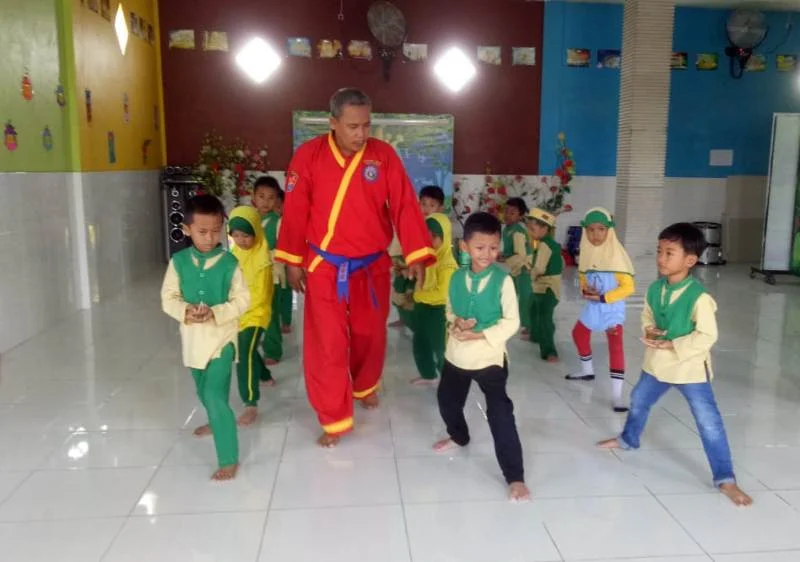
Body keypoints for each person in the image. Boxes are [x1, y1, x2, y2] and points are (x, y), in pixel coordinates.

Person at [275, 88, 434, 447]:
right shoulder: (309, 156)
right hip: (325, 265)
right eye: (352, 126)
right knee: (328, 344)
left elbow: (405, 205)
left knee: (369, 334)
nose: (361, 134)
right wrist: (292, 260)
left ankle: (364, 385)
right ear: (332, 123)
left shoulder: (383, 156)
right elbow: (295, 212)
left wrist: (416, 253)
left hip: (371, 265)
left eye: (366, 125)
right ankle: (333, 417)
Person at [598, 223, 753, 507]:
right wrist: (649, 330)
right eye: (659, 251)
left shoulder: (699, 298)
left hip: (689, 369)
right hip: (656, 365)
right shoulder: (655, 288)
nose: (661, 258)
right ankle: (629, 439)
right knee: (639, 399)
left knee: (708, 422)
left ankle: (725, 479)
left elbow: (707, 335)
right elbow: (647, 316)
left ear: (690, 260)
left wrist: (673, 344)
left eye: (669, 253)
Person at [433, 212, 529, 502]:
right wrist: (456, 323)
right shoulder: (456, 278)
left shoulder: (503, 281)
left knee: (500, 415)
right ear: (464, 247)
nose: (487, 254)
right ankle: (459, 436)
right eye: (480, 247)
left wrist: (480, 335)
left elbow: (512, 322)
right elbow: (450, 309)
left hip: (489, 358)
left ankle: (515, 476)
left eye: (493, 247)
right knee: (447, 401)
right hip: (457, 355)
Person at [160, 195, 250, 480]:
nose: (210, 238)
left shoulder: (229, 263)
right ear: (187, 229)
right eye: (202, 231)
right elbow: (168, 298)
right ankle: (216, 419)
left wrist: (216, 312)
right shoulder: (178, 262)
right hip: (193, 342)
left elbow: (243, 300)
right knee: (205, 393)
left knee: (213, 394)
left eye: (215, 231)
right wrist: (185, 310)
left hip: (222, 340)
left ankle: (228, 458)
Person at [565, 208, 635, 413]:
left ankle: (617, 396)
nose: (595, 235)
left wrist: (605, 297)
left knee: (615, 346)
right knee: (579, 333)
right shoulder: (587, 253)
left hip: (612, 309)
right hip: (594, 306)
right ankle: (587, 371)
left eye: (601, 229)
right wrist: (586, 289)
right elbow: (583, 277)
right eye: (590, 230)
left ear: (609, 231)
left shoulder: (617, 257)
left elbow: (628, 288)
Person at [228, 206, 274, 427]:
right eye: (236, 235)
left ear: (256, 231)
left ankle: (250, 402)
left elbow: (261, 296)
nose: (241, 240)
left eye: (246, 235)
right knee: (248, 348)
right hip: (238, 313)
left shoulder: (262, 259)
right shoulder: (235, 253)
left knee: (243, 352)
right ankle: (264, 375)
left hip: (256, 314)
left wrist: (240, 312)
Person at [410, 213, 458, 385]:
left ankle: (449, 381)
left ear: (445, 237)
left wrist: (418, 296)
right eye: (426, 236)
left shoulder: (447, 264)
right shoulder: (427, 257)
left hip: (439, 311)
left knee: (441, 347)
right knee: (420, 342)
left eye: (434, 236)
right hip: (423, 307)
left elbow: (442, 294)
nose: (429, 240)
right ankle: (427, 374)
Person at [253, 176, 286, 365]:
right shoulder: (250, 219)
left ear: (276, 200)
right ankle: (256, 339)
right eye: (261, 196)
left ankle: (273, 350)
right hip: (252, 275)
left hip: (272, 275)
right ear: (253, 197)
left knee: (271, 312)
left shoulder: (279, 222)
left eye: (271, 198)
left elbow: (284, 249)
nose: (266, 202)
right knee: (254, 310)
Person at [527, 208, 563, 362]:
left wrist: (531, 274)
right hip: (541, 287)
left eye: (532, 229)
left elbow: (539, 268)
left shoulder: (545, 245)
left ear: (545, 228)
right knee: (533, 310)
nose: (530, 232)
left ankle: (549, 351)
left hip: (548, 288)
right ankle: (536, 336)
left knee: (544, 318)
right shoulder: (547, 243)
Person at [502, 197, 534, 339]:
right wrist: (504, 255)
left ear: (520, 216)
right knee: (508, 293)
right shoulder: (507, 229)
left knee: (524, 299)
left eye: (512, 213)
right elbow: (510, 250)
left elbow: (521, 255)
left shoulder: (518, 231)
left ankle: (530, 326)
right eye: (506, 211)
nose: (507, 215)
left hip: (524, 269)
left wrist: (504, 258)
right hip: (516, 269)